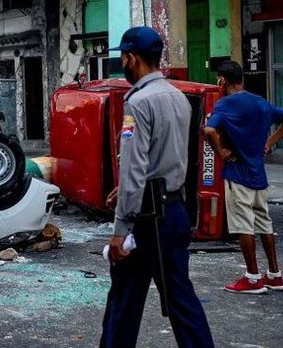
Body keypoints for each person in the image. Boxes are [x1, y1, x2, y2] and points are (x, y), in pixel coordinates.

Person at [100, 26, 214, 348]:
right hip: (174, 211)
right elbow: (169, 159)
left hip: (147, 219)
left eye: (123, 58)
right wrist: (124, 191)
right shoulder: (178, 97)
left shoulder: (138, 102)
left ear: (131, 58)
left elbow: (136, 168)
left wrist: (121, 230)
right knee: (181, 300)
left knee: (124, 299)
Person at [204, 60, 283, 295]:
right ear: (242, 79)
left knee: (243, 226)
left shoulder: (225, 105)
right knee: (265, 224)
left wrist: (222, 152)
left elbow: (208, 130)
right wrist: (269, 142)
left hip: (238, 174)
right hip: (259, 175)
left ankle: (253, 277)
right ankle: (274, 275)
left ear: (222, 80)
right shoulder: (261, 103)